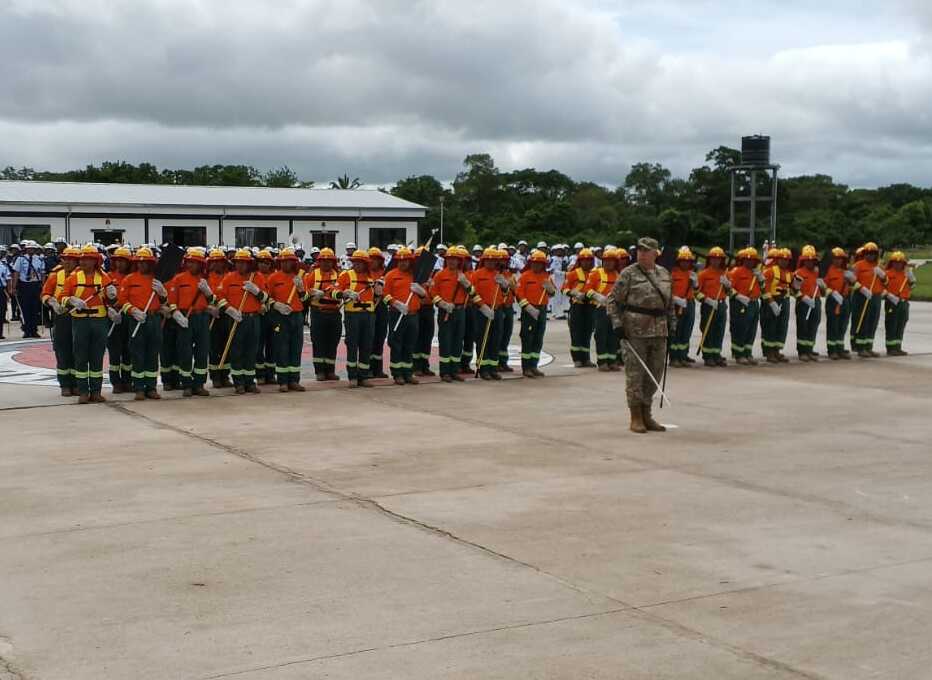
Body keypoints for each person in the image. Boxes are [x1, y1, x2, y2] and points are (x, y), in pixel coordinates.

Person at [607, 237, 673, 434]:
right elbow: (612, 300)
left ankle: (647, 413)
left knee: (654, 373)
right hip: (634, 331)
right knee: (635, 375)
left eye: (646, 250)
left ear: (655, 253)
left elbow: (669, 304)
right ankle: (635, 417)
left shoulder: (664, 273)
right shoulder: (629, 273)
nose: (642, 254)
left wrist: (673, 326)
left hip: (659, 330)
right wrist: (617, 324)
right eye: (640, 250)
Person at [63, 245, 113, 403]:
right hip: (80, 321)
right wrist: (71, 300)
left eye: (87, 259)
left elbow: (111, 299)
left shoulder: (104, 278)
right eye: (82, 259)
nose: (83, 262)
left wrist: (112, 296)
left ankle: (96, 392)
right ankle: (83, 392)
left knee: (97, 357)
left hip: (99, 321)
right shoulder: (73, 278)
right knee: (81, 356)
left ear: (95, 261)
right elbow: (63, 297)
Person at [117, 246, 168, 400]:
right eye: (139, 262)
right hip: (136, 319)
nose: (141, 265)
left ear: (151, 263)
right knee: (137, 354)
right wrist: (133, 311)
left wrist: (163, 294)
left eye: (145, 262)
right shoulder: (129, 279)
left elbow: (165, 302)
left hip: (154, 318)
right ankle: (139, 387)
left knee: (153, 353)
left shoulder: (157, 280)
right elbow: (122, 300)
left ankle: (151, 387)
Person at [216, 249, 269, 394]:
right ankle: (238, 382)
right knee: (236, 351)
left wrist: (256, 291)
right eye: (238, 263)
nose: (240, 266)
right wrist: (229, 310)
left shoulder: (257, 278)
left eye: (243, 263)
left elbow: (265, 298)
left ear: (249, 264)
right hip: (235, 319)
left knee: (252, 351)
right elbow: (220, 298)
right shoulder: (228, 278)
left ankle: (250, 382)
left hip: (253, 318)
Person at [166, 247, 213, 397]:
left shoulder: (206, 280)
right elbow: (171, 301)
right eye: (189, 262)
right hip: (185, 317)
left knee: (202, 351)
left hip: (202, 317)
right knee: (185, 352)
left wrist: (208, 292)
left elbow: (214, 301)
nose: (191, 265)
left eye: (195, 263)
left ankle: (199, 384)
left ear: (201, 264)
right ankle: (186, 384)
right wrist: (176, 314)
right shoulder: (179, 279)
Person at [265, 247, 306, 392]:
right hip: (280, 316)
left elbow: (305, 299)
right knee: (281, 348)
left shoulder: (299, 277)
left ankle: (294, 380)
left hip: (296, 315)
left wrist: (301, 289)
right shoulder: (273, 278)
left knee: (296, 347)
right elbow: (266, 298)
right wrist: (276, 305)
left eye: (289, 262)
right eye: (283, 262)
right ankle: (283, 381)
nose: (286, 264)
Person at [41, 245, 80, 395]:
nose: (68, 263)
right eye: (65, 259)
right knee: (62, 350)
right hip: (61, 316)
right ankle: (65, 384)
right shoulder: (55, 276)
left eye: (72, 260)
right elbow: (45, 294)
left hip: (78, 316)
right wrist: (51, 302)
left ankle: (77, 383)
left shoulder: (82, 276)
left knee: (78, 351)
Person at [431, 246, 474, 382]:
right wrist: (442, 303)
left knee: (457, 341)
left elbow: (472, 293)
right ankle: (445, 372)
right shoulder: (439, 275)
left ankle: (454, 370)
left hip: (460, 311)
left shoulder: (464, 275)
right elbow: (433, 293)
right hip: (445, 311)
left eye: (454, 259)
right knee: (446, 341)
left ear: (459, 261)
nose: (452, 262)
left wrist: (466, 284)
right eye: (449, 259)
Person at [382, 247, 424, 384]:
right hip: (396, 314)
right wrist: (396, 303)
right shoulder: (390, 275)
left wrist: (421, 291)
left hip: (412, 315)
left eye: (405, 261)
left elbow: (425, 296)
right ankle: (397, 373)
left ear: (410, 261)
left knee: (410, 344)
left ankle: (408, 372)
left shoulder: (416, 276)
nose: (402, 263)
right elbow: (384, 295)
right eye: (400, 261)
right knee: (396, 344)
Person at [335, 249, 376, 388]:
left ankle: (363, 376)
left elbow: (377, 296)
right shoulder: (346, 275)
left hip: (369, 315)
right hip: (353, 315)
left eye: (361, 263)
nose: (358, 265)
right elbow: (333, 291)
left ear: (366, 264)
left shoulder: (371, 277)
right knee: (352, 345)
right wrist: (344, 293)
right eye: (356, 262)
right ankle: (352, 376)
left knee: (366, 345)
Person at [302, 247, 342, 381]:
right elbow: (304, 293)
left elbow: (344, 289)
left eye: (329, 261)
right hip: (318, 313)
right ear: (319, 261)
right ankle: (319, 371)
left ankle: (330, 371)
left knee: (333, 342)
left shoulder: (339, 274)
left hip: (335, 312)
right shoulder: (313, 274)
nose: (326, 263)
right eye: (323, 261)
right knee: (318, 342)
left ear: (333, 262)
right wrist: (313, 292)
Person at [585, 247, 626, 372]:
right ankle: (602, 361)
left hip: (615, 310)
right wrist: (598, 296)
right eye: (606, 260)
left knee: (613, 335)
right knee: (601, 334)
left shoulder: (618, 275)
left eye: (611, 261)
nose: (608, 263)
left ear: (615, 262)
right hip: (600, 309)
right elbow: (587, 290)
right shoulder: (596, 273)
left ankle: (612, 360)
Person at [516, 249, 555, 378]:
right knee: (527, 339)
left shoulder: (546, 277)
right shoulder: (525, 276)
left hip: (542, 310)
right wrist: (528, 307)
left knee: (538, 338)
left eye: (539, 263)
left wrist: (550, 289)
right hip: (529, 310)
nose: (536, 265)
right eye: (534, 263)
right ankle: (526, 367)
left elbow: (552, 293)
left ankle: (534, 365)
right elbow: (519, 294)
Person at [470, 247, 508, 380]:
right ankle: (483, 369)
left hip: (496, 311)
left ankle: (493, 368)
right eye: (488, 261)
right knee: (482, 340)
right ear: (484, 261)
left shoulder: (499, 275)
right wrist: (483, 306)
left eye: (493, 261)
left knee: (495, 340)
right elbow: (472, 293)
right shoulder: (477, 274)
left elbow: (504, 294)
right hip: (482, 311)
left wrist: (504, 286)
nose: (490, 263)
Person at [726, 247, 763, 366]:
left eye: (752, 260)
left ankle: (748, 352)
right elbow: (729, 289)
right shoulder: (736, 272)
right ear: (743, 260)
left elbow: (763, 289)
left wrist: (761, 280)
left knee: (751, 330)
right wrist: (738, 296)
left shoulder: (756, 272)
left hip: (753, 303)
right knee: (740, 328)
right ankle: (739, 354)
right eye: (748, 259)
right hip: (740, 303)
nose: (750, 262)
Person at [849, 241, 886, 358]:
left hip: (875, 297)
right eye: (868, 253)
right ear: (864, 254)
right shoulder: (858, 266)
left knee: (872, 322)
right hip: (862, 296)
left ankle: (869, 346)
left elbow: (886, 283)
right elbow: (851, 282)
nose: (871, 255)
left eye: (873, 253)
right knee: (862, 322)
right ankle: (860, 348)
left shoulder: (879, 267)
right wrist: (862, 289)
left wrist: (883, 276)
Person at [695, 247, 730, 367]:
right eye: (714, 259)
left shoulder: (725, 273)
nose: (716, 261)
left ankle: (716, 354)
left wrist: (727, 285)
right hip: (709, 305)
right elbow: (696, 293)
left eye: (719, 259)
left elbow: (728, 292)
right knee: (708, 330)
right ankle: (708, 356)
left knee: (719, 331)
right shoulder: (703, 274)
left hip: (721, 305)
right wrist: (707, 300)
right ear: (709, 260)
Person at [563, 247, 596, 367]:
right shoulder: (573, 273)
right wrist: (574, 293)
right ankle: (577, 359)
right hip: (577, 306)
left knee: (587, 332)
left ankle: (586, 358)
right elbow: (564, 289)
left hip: (590, 306)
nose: (586, 262)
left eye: (589, 260)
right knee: (576, 332)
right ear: (580, 261)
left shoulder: (595, 273)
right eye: (584, 260)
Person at [760, 247, 793, 363]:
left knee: (782, 326)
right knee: (770, 326)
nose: (785, 261)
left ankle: (777, 351)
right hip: (773, 301)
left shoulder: (789, 273)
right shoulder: (770, 271)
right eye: (782, 259)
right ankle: (769, 352)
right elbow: (764, 289)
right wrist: (771, 302)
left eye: (787, 259)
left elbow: (792, 288)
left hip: (785, 301)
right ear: (777, 259)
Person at [206, 248, 233, 388]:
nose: (217, 264)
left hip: (227, 315)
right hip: (212, 317)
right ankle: (215, 376)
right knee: (214, 347)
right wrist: (208, 308)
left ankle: (225, 375)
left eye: (219, 262)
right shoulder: (206, 278)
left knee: (226, 346)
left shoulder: (229, 277)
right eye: (214, 262)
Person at [793, 245, 825, 362]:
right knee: (803, 327)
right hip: (803, 302)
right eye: (808, 260)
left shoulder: (816, 273)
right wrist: (804, 298)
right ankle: (802, 351)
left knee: (813, 326)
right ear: (803, 261)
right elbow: (794, 290)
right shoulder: (798, 273)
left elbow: (822, 290)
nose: (810, 263)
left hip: (815, 301)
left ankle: (809, 349)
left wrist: (822, 286)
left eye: (812, 260)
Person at [669, 247, 697, 367]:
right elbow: (666, 290)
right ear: (678, 261)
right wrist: (675, 299)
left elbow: (696, 289)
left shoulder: (692, 274)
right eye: (683, 261)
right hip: (676, 304)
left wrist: (695, 282)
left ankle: (683, 355)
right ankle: (674, 357)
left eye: (688, 261)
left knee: (687, 331)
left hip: (689, 303)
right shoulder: (672, 273)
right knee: (675, 331)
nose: (685, 263)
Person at [822, 247, 852, 360]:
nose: (838, 261)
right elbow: (823, 286)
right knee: (833, 326)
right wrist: (833, 293)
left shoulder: (846, 271)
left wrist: (852, 280)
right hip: (833, 301)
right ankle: (832, 350)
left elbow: (852, 287)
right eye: (836, 258)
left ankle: (840, 348)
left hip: (845, 300)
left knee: (842, 326)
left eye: (840, 258)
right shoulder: (828, 270)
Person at [883, 251, 915, 356]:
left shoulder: (905, 274)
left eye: (900, 262)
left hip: (903, 302)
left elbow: (912, 286)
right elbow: (881, 289)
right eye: (895, 262)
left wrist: (911, 278)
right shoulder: (887, 274)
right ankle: (890, 348)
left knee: (901, 325)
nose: (898, 264)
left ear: (903, 263)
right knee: (892, 324)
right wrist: (889, 296)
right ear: (891, 263)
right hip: (892, 302)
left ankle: (898, 347)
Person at [12, 240, 46, 338]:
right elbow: (16, 273)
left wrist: (44, 286)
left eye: (32, 248)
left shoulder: (39, 259)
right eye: (29, 248)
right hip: (24, 285)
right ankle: (26, 330)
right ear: (26, 249)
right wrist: (14, 287)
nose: (31, 250)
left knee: (35, 309)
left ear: (35, 249)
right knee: (25, 309)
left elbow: (42, 273)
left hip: (35, 285)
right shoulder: (20, 259)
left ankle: (34, 330)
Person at [254, 249, 277, 385]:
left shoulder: (274, 277)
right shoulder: (253, 277)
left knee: (272, 346)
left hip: (273, 315)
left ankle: (270, 374)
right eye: (261, 262)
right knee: (258, 346)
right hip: (259, 315)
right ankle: (260, 374)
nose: (264, 265)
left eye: (266, 262)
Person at [413, 247, 436, 377]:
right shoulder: (412, 274)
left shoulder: (430, 274)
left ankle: (424, 364)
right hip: (416, 308)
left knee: (427, 337)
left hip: (428, 308)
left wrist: (431, 284)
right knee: (416, 338)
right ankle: (415, 365)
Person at [367, 247, 389, 378]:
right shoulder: (365, 273)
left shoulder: (386, 273)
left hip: (382, 307)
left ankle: (378, 369)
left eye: (375, 260)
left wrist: (382, 290)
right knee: (369, 338)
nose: (372, 262)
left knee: (380, 338)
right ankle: (368, 368)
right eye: (370, 259)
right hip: (369, 308)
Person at [496, 252, 517, 373]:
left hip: (509, 307)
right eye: (501, 260)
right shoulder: (495, 275)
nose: (503, 262)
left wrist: (512, 285)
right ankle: (496, 361)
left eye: (505, 260)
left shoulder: (510, 275)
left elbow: (515, 291)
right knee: (497, 335)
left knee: (506, 336)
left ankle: (503, 361)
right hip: (499, 307)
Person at [0, 246, 10, 339]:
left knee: (1, 311)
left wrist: (9, 290)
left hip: (1, 290)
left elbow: (7, 279)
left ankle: (0, 333)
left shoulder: (3, 265)